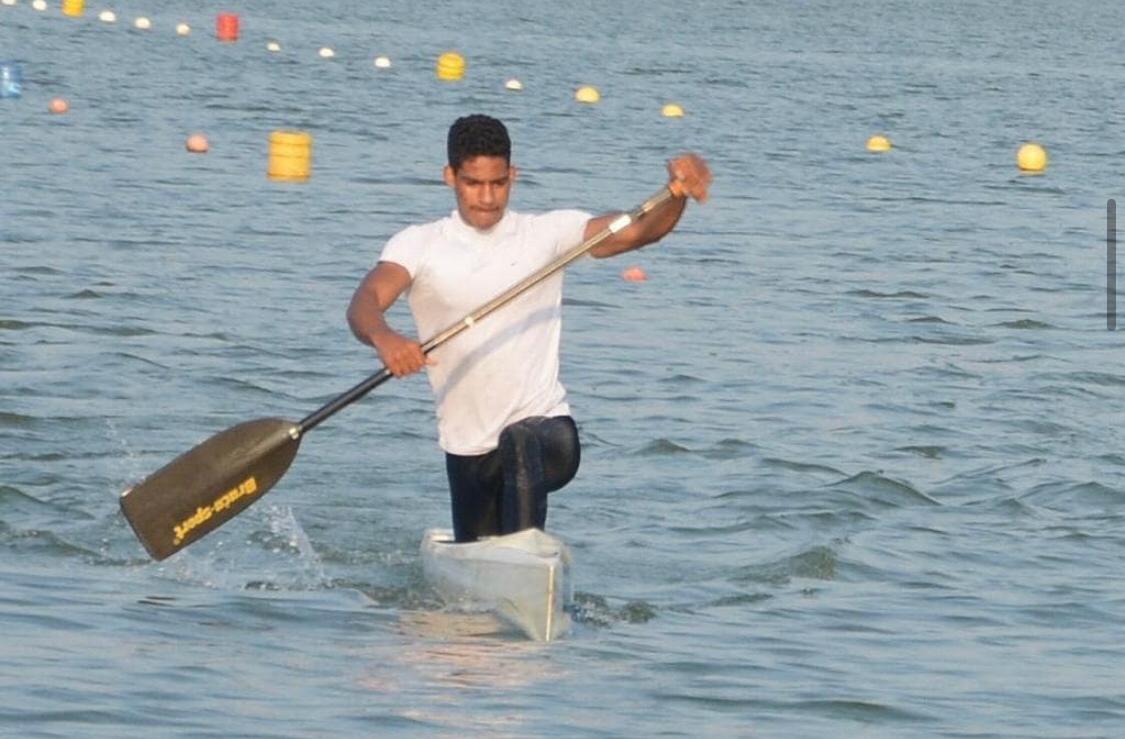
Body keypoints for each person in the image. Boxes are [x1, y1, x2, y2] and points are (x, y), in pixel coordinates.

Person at [347, 114, 711, 543]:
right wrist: (384, 337)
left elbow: (636, 232)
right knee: (474, 572)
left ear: (513, 176)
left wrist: (678, 196)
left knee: (519, 440)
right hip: (469, 450)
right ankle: (505, 573)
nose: (487, 198)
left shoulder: (547, 234)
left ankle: (525, 562)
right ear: (450, 177)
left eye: (498, 183)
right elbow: (364, 303)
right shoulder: (419, 244)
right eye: (473, 183)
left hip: (547, 435)